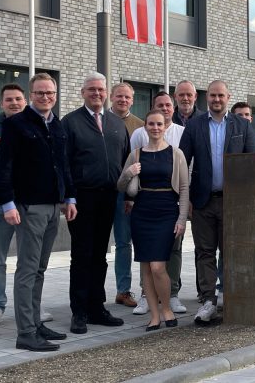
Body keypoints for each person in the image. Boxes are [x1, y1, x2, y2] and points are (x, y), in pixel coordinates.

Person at [0, 73, 75, 351]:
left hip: (54, 206)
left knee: (40, 268)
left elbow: (63, 164)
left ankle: (36, 322)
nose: (45, 97)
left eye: (50, 93)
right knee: (27, 270)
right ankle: (26, 332)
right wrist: (7, 204)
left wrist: (70, 198)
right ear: (31, 95)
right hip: (28, 207)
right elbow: (4, 167)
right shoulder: (16, 124)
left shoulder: (57, 124)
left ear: (55, 94)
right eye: (40, 93)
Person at [179, 80, 255, 324]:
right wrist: (186, 199)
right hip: (202, 201)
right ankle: (207, 301)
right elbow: (183, 163)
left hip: (232, 203)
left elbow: (252, 165)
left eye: (221, 96)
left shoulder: (242, 126)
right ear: (207, 98)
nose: (216, 99)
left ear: (228, 97)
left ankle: (233, 298)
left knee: (232, 252)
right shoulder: (193, 126)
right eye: (212, 95)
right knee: (204, 252)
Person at [62, 72, 130, 335]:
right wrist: (68, 197)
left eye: (101, 89)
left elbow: (125, 163)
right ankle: (79, 311)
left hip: (108, 198)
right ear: (83, 93)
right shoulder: (70, 122)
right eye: (91, 89)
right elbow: (65, 164)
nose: (97, 94)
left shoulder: (115, 123)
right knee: (82, 255)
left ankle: (96, 307)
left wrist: (128, 196)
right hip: (81, 199)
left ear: (106, 93)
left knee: (100, 255)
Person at [0, 84, 53, 328]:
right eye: (9, 99)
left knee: (30, 261)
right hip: (0, 204)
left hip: (28, 204)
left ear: (26, 100)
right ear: (2, 103)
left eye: (18, 99)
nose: (14, 103)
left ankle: (33, 305)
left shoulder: (39, 125)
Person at [117, 111, 189, 330]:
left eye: (159, 124)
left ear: (165, 126)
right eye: (151, 124)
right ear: (145, 127)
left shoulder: (176, 154)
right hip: (142, 213)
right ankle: (155, 315)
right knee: (146, 267)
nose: (155, 127)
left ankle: (166, 308)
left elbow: (185, 188)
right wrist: (129, 173)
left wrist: (182, 218)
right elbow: (121, 186)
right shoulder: (136, 154)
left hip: (167, 211)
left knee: (159, 266)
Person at [109, 83, 144, 309]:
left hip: (127, 193)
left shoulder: (140, 126)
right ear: (111, 97)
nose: (123, 100)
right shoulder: (100, 120)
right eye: (119, 96)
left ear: (132, 100)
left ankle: (123, 290)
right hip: (99, 190)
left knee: (124, 242)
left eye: (127, 97)